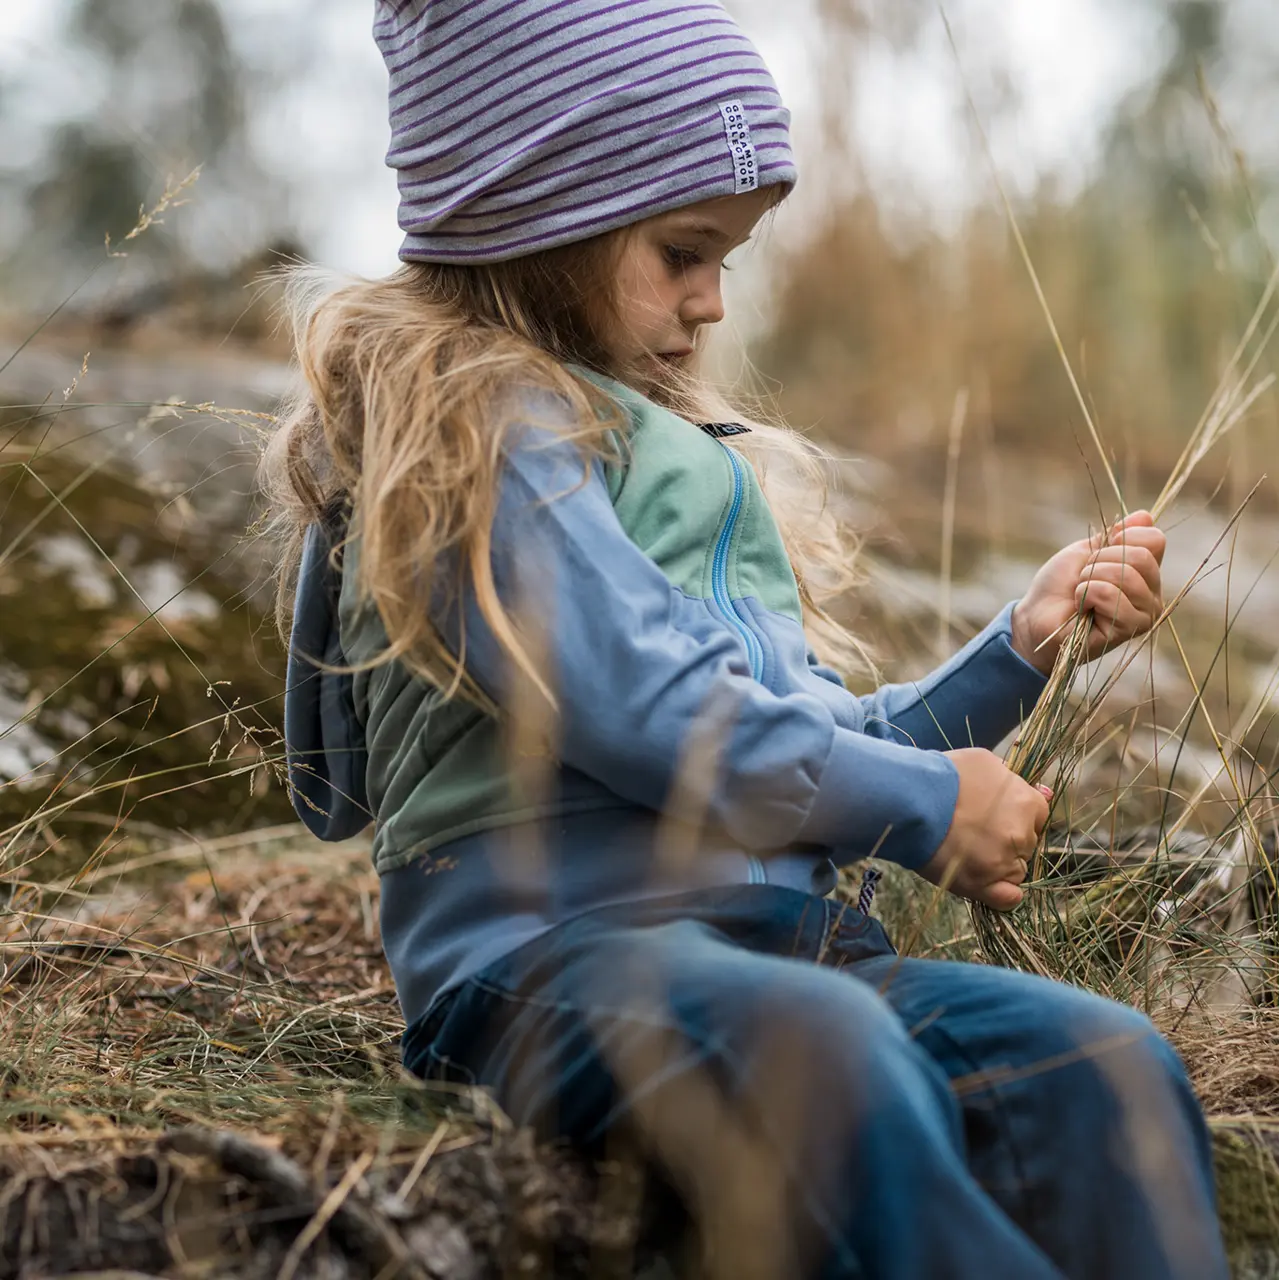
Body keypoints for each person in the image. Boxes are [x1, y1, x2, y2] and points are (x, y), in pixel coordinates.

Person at [263, 3, 1229, 1276]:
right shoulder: (472, 426)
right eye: (682, 250)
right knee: (818, 1052)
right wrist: (924, 807)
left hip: (778, 949)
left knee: (1099, 1063)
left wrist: (1017, 648)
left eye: (726, 256)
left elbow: (800, 744)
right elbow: (649, 710)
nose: (713, 300)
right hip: (551, 961)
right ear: (540, 210)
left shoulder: (662, 453)